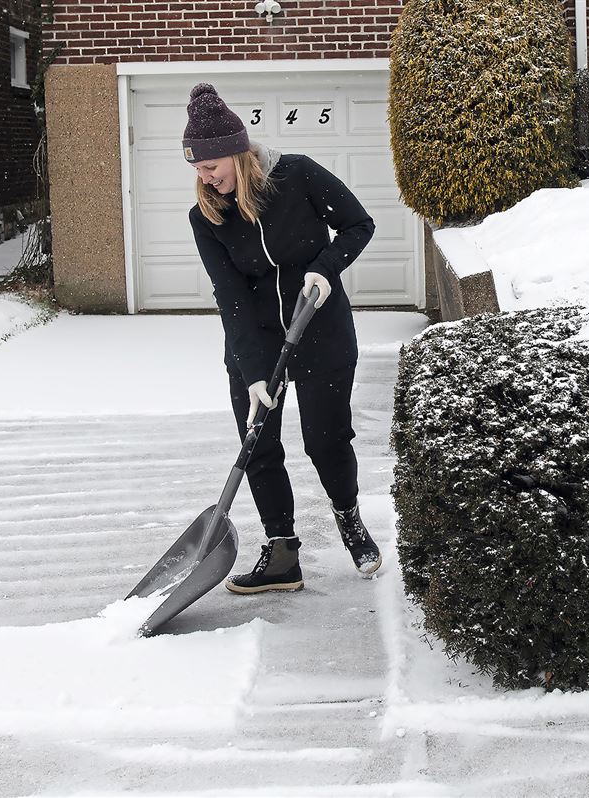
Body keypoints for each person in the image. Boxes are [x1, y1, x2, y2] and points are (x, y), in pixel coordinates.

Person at [183, 82, 381, 593]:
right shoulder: (206, 215)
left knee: (325, 439)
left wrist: (325, 268)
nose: (205, 178)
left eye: (211, 167)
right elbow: (230, 295)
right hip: (257, 338)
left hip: (319, 326)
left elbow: (359, 225)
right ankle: (281, 551)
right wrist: (251, 372)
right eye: (198, 170)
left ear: (237, 153)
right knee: (259, 447)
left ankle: (349, 517)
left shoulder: (297, 174)